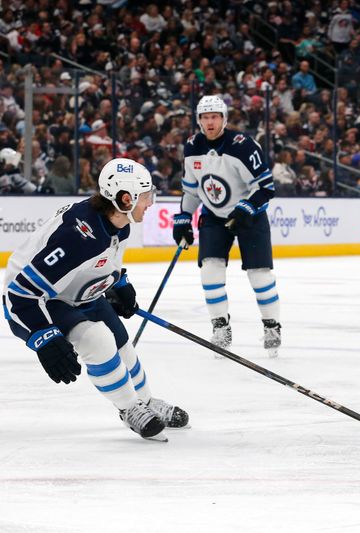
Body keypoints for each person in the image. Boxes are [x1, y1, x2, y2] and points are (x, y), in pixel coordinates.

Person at [2, 158, 188, 441]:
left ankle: (146, 401)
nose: (151, 202)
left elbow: (105, 259)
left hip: (78, 291)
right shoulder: (78, 237)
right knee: (98, 340)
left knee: (123, 345)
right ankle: (129, 409)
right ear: (126, 199)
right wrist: (43, 336)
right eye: (146, 196)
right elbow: (19, 294)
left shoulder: (119, 222)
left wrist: (118, 282)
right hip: (42, 302)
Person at [172, 95, 281, 357]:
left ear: (224, 119)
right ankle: (221, 327)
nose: (210, 122)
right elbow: (192, 190)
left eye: (215, 117)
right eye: (205, 117)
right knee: (210, 270)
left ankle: (272, 327)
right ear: (199, 121)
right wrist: (184, 217)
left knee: (259, 275)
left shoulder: (243, 146)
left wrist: (246, 209)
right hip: (214, 215)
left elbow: (266, 188)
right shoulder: (192, 147)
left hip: (249, 216)